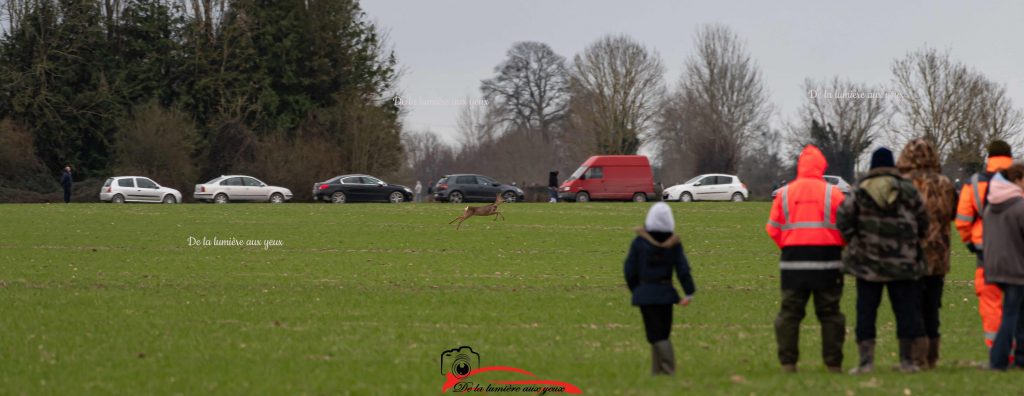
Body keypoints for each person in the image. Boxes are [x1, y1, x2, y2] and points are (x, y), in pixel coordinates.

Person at [838, 148, 929, 374]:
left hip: (867, 264)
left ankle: (866, 363)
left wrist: (855, 240)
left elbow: (843, 220)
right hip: (904, 264)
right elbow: (924, 223)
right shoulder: (909, 190)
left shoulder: (859, 191)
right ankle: (907, 361)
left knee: (866, 312)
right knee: (905, 312)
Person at [765, 145, 846, 373]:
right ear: (822, 166)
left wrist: (789, 244)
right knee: (830, 314)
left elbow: (772, 228)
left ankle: (788, 364)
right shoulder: (834, 193)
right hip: (828, 261)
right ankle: (833, 365)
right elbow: (846, 228)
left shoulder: (785, 193)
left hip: (793, 262)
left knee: (790, 313)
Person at [896, 139, 957, 369]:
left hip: (911, 255)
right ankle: (932, 357)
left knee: (913, 307)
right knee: (932, 307)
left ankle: (916, 357)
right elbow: (952, 213)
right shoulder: (946, 183)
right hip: (939, 255)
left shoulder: (903, 184)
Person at [623, 202, 696, 375]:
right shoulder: (674, 243)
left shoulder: (639, 242)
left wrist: (637, 289)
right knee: (663, 332)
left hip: (645, 292)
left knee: (655, 334)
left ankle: (667, 370)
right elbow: (683, 269)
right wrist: (689, 291)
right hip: (666, 292)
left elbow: (629, 269)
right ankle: (658, 371)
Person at [955, 140, 1014, 350]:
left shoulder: (974, 183)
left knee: (990, 301)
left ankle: (997, 350)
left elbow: (962, 218)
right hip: (1018, 249)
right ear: (1010, 156)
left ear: (988, 157)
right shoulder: (1019, 179)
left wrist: (969, 241)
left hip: (986, 250)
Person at [983, 164, 1024, 370]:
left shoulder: (991, 205)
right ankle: (998, 360)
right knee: (1011, 314)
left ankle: (1021, 358)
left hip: (994, 266)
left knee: (1018, 312)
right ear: (1018, 179)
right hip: (1016, 268)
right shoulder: (1019, 206)